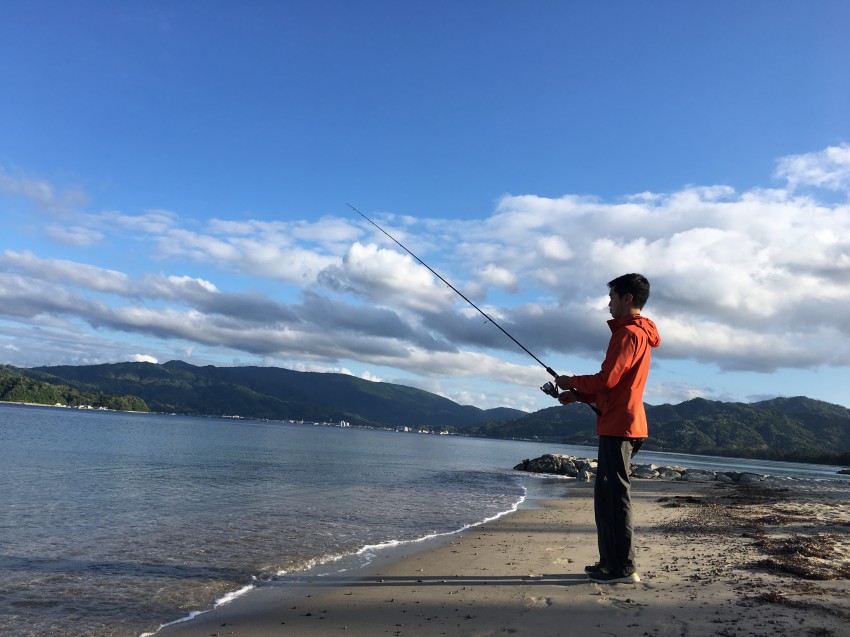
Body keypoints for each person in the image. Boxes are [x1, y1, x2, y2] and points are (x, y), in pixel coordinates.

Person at [556, 273, 661, 584]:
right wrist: (578, 396)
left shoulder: (629, 333)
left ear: (627, 298)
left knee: (613, 500)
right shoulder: (637, 332)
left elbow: (607, 379)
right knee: (609, 498)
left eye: (612, 297)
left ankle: (621, 568)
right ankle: (611, 564)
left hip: (620, 426)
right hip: (623, 422)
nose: (609, 303)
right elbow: (613, 385)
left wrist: (571, 381)